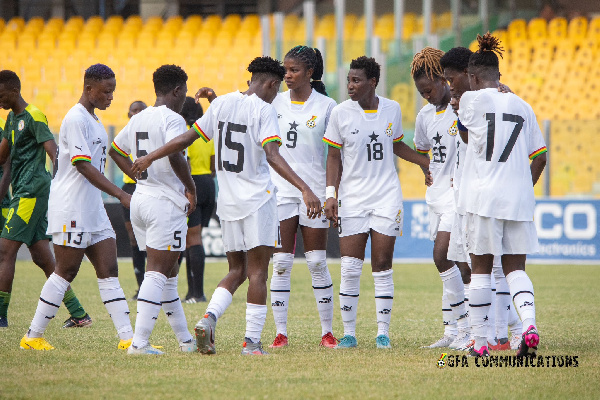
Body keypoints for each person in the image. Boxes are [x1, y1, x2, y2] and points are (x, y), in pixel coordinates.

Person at [131, 56, 322, 356]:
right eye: (277, 87)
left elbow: (186, 138)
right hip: (258, 201)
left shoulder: (220, 105)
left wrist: (149, 157)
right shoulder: (264, 110)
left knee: (236, 270)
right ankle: (252, 343)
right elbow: (272, 155)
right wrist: (306, 188)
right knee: (258, 273)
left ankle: (208, 318)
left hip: (228, 203)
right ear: (271, 84)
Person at [20, 64, 133, 350]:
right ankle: (32, 337)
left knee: (109, 267)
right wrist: (121, 194)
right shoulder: (75, 118)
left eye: (113, 91)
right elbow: (82, 165)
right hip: (71, 207)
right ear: (88, 88)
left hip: (92, 207)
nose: (111, 97)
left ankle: (127, 338)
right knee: (66, 271)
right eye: (106, 91)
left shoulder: (94, 120)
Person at [323, 56, 430, 349]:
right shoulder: (340, 113)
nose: (350, 86)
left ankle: (383, 332)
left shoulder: (392, 109)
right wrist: (330, 194)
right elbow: (333, 157)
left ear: (372, 82)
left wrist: (423, 161)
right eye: (348, 80)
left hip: (386, 196)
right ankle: (349, 334)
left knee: (382, 264)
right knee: (350, 267)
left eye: (356, 80)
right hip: (352, 198)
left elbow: (396, 145)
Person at [456, 33, 547, 357]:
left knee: (481, 270)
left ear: (474, 77)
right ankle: (530, 325)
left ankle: (480, 344)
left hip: (485, 198)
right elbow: (541, 156)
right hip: (518, 199)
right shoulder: (523, 105)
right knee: (515, 270)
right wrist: (524, 186)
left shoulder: (471, 100)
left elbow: (466, 135)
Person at [110, 65, 197, 355]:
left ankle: (185, 341)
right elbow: (175, 153)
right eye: (184, 91)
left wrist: (137, 176)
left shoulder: (139, 117)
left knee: (169, 273)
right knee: (158, 271)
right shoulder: (173, 119)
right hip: (164, 203)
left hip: (141, 200)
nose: (185, 96)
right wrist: (190, 187)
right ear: (177, 90)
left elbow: (114, 150)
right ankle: (140, 343)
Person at [441, 46, 524, 351]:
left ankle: (500, 332)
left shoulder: (485, 100)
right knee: (473, 265)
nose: (450, 84)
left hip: (483, 195)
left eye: (452, 78)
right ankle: (490, 331)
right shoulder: (463, 103)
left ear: (470, 75)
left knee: (490, 267)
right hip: (466, 192)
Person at [0, 70, 90, 330]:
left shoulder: (35, 115)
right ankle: (79, 314)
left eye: (2, 95)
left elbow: (55, 154)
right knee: (44, 258)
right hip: (24, 191)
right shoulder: (10, 118)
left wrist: (62, 189)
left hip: (32, 191)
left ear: (15, 92)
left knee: (5, 250)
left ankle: (1, 316)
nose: (0, 100)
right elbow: (3, 155)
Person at [267, 45, 338, 349]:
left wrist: (332, 193)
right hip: (281, 192)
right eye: (285, 69)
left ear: (310, 72)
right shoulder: (273, 103)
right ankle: (280, 333)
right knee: (281, 264)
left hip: (315, 195)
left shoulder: (328, 106)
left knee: (317, 263)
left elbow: (335, 155)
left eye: (294, 70)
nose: (287, 75)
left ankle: (327, 332)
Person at [410, 47, 470, 350]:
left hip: (457, 196)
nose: (427, 96)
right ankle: (453, 329)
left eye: (430, 89)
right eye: (422, 93)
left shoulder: (464, 106)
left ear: (443, 79)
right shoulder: (424, 116)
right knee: (451, 263)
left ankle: (470, 328)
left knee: (444, 255)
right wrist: (425, 168)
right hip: (435, 197)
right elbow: (422, 149)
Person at [179, 95, 215, 304]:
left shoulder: (185, 132)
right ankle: (192, 292)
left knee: (191, 240)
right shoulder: (207, 134)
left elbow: (185, 164)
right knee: (195, 238)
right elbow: (212, 167)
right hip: (209, 186)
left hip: (191, 186)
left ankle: (196, 293)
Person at [122, 100, 147, 300]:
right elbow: (116, 153)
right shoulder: (126, 133)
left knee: (152, 239)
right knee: (134, 239)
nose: (137, 114)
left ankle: (154, 285)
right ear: (128, 114)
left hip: (149, 186)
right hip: (130, 186)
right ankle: (141, 286)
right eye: (134, 111)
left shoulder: (152, 132)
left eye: (141, 111)